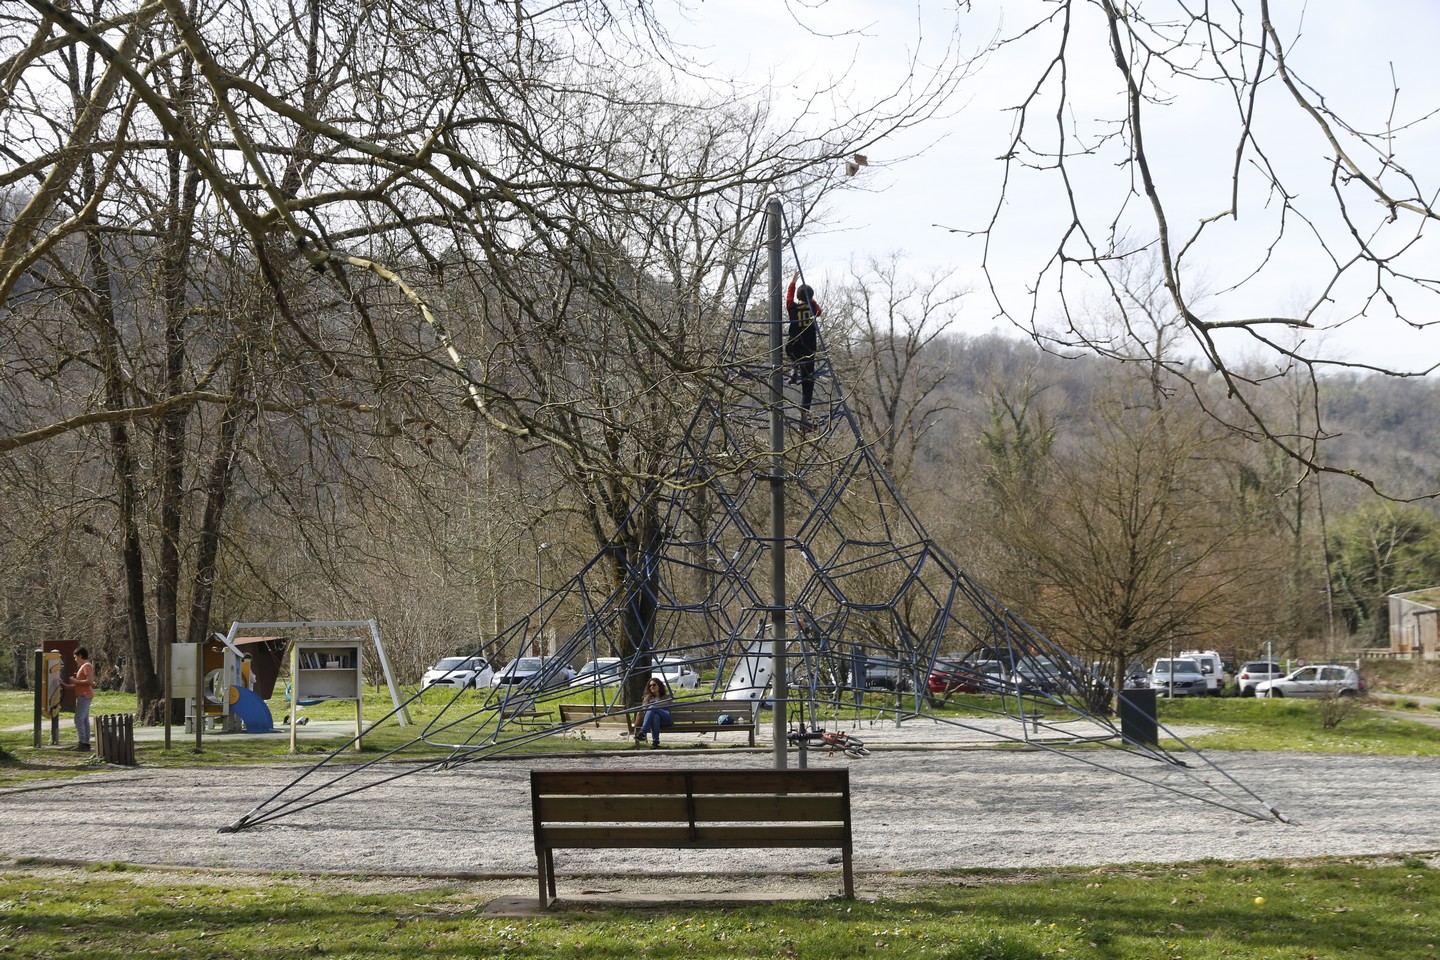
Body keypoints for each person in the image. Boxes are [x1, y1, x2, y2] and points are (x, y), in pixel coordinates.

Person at [785, 269, 822, 429]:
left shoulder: (792, 307)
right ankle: (804, 419)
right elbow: (819, 311)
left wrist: (793, 281)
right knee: (808, 385)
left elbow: (789, 296)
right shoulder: (813, 309)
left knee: (793, 354)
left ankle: (794, 371)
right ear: (810, 298)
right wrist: (811, 300)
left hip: (793, 348)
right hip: (808, 351)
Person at [58, 647, 95, 751]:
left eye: (75, 657)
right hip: (84, 694)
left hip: (84, 695)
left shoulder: (86, 666)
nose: (75, 660)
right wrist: (66, 686)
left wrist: (74, 681)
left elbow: (89, 681)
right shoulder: (85, 666)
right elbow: (82, 684)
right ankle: (85, 743)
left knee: (78, 719)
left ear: (80, 656)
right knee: (84, 719)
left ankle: (83, 743)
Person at [636, 677, 672, 748]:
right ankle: (655, 743)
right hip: (655, 721)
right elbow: (644, 709)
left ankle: (643, 732)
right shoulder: (647, 698)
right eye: (650, 686)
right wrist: (652, 707)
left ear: (659, 685)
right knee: (655, 716)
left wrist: (654, 706)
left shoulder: (666, 696)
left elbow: (668, 703)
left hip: (666, 719)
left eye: (654, 685)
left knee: (652, 707)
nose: (652, 687)